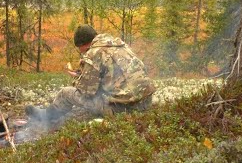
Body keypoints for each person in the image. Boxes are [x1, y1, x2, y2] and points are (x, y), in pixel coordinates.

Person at [25, 24, 156, 123]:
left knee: (66, 93)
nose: (81, 52)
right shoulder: (120, 45)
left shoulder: (93, 53)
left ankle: (46, 117)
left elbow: (86, 92)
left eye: (79, 48)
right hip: (146, 103)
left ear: (83, 44)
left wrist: (77, 78)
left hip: (125, 110)